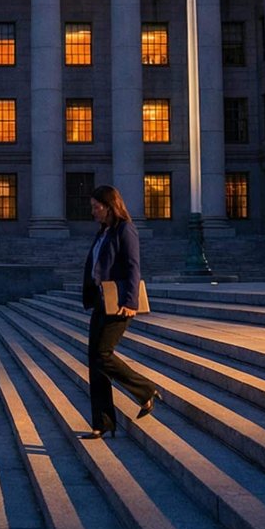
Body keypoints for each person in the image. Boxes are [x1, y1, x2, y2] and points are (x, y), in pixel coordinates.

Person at [79, 184, 160, 440]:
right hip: (103, 301)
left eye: (96, 207)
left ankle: (145, 390)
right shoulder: (103, 232)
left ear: (110, 206)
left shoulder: (126, 229)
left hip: (119, 303)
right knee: (95, 361)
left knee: (103, 355)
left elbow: (133, 266)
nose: (93, 211)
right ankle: (102, 423)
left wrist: (131, 301)